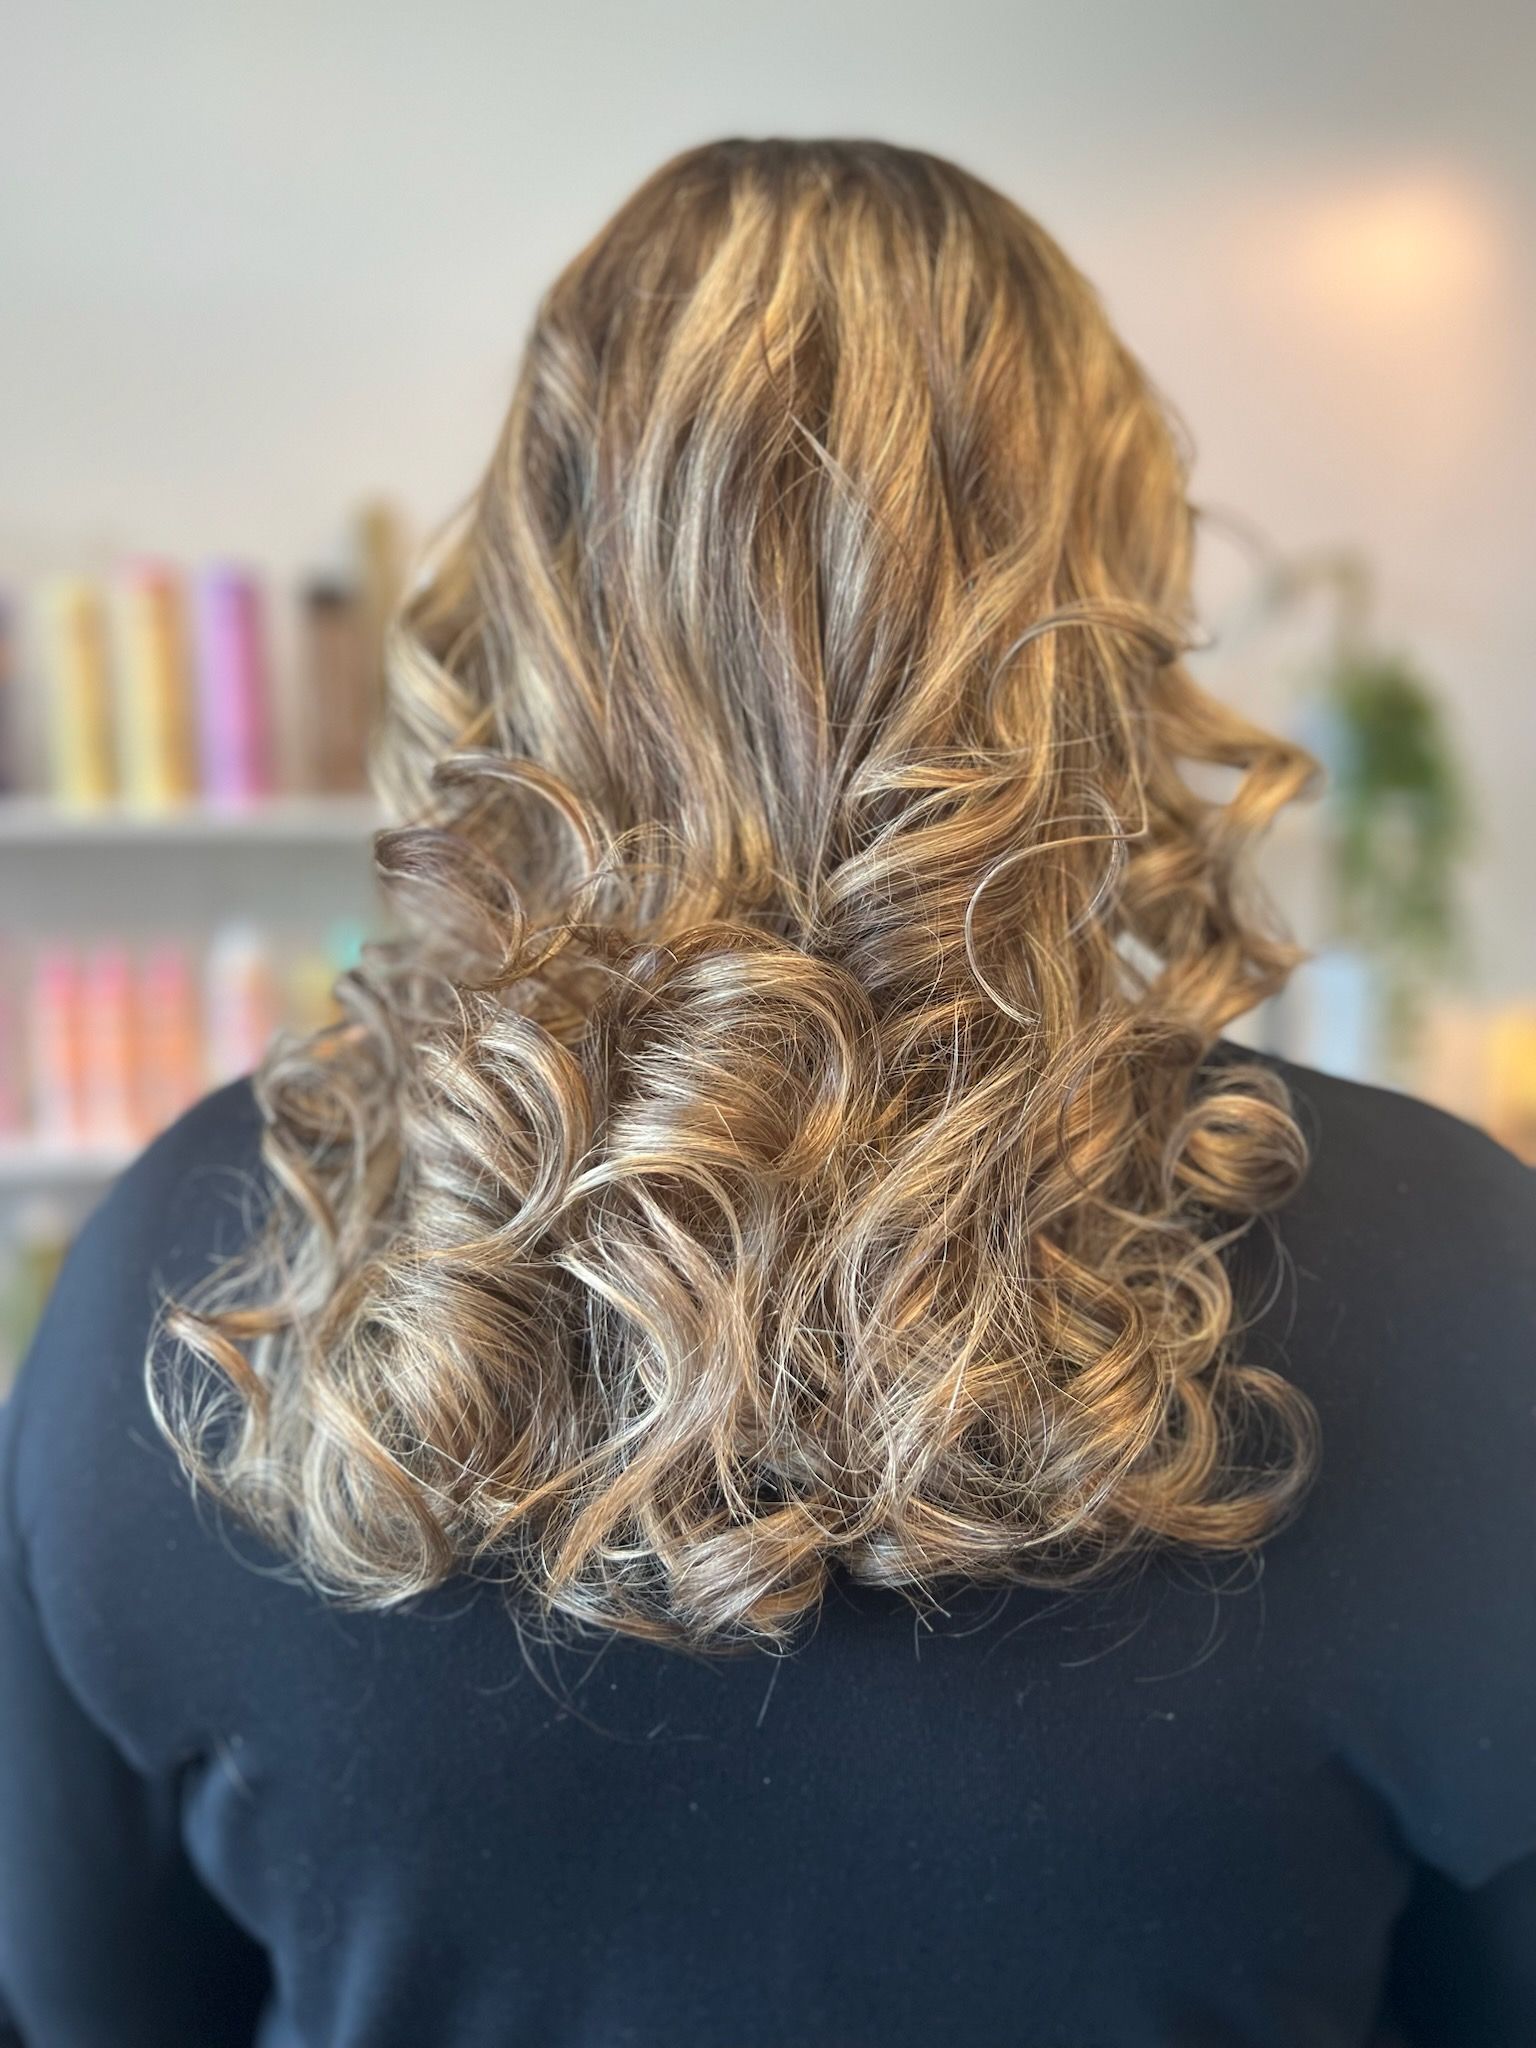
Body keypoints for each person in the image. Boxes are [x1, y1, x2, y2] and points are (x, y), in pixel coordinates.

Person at [1, 136, 1532, 2048]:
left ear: (539, 591)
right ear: (1107, 600)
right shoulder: (1462, 1282)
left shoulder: (194, 1271)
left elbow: (85, 2005)